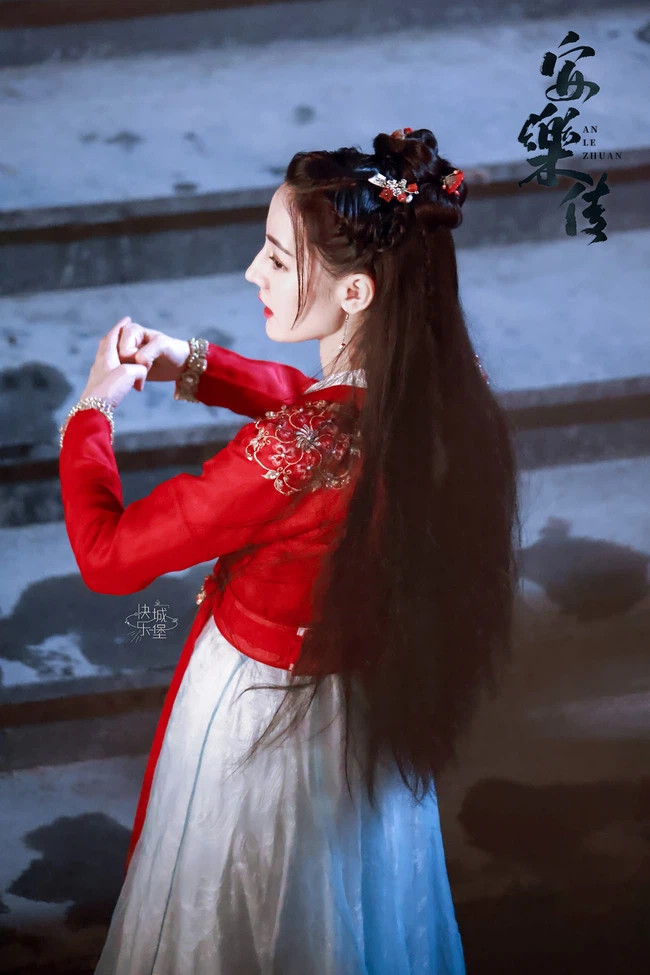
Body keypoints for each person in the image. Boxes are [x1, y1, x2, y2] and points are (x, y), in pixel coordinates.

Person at [58, 126, 520, 974]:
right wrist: (192, 364)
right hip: (370, 708)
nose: (253, 273)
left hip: (266, 720)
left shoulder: (295, 456)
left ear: (356, 292)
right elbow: (326, 397)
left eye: (277, 257)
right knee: (358, 912)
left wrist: (92, 415)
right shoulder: (442, 384)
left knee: (254, 909)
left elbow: (109, 554)